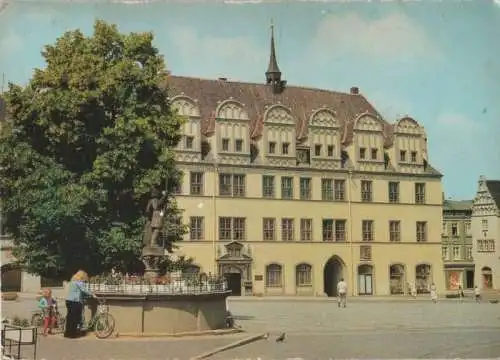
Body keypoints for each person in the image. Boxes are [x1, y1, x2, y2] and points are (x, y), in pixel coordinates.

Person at [64, 270, 95, 339]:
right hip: (75, 301)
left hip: (68, 300)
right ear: (82, 276)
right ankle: (73, 334)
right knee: (75, 318)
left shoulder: (72, 282)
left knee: (70, 317)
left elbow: (77, 292)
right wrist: (92, 294)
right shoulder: (79, 282)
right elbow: (84, 290)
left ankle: (67, 333)